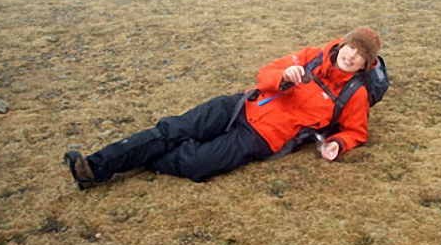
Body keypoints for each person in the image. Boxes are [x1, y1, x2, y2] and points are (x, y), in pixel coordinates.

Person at [65, 27, 386, 189]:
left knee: (196, 163)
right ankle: (95, 167)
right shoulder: (312, 55)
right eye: (351, 47)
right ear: (343, 44)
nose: (352, 55)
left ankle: (143, 158)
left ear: (364, 64)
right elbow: (265, 74)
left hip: (261, 138)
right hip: (240, 104)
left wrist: (337, 143)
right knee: (173, 130)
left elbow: (356, 131)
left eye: (360, 55)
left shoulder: (354, 94)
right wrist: (283, 79)